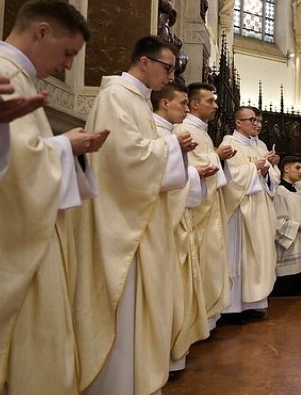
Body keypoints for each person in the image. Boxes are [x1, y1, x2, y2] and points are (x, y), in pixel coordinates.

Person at [0, 0, 107, 395]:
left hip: (27, 232)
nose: (68, 65)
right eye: (68, 52)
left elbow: (14, 153)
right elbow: (6, 173)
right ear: (42, 31)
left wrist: (62, 145)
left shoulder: (12, 74)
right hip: (13, 244)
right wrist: (65, 148)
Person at [78, 35, 195, 395]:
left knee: (144, 308)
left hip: (141, 220)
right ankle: (119, 384)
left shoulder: (139, 103)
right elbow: (126, 159)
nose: (170, 75)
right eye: (167, 68)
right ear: (144, 62)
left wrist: (168, 148)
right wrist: (171, 146)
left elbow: (144, 154)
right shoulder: (116, 98)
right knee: (126, 309)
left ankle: (138, 380)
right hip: (122, 225)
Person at [151, 82, 211, 373]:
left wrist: (193, 173)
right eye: (182, 103)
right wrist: (194, 172)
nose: (186, 110)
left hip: (177, 218)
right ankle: (166, 356)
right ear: (164, 103)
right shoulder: (159, 132)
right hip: (162, 225)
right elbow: (152, 176)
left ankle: (175, 351)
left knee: (179, 288)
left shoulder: (171, 133)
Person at [176, 82, 235, 330]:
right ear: (194, 104)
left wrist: (217, 159)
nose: (216, 105)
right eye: (210, 100)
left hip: (208, 206)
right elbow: (189, 168)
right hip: (196, 210)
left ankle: (208, 318)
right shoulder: (184, 129)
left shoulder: (202, 130)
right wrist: (216, 158)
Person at [221, 106, 278, 322]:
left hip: (260, 209)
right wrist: (254, 169)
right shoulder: (229, 144)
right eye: (251, 120)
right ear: (238, 123)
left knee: (258, 256)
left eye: (256, 120)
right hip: (240, 212)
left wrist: (267, 170)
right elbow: (230, 179)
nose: (256, 124)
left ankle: (253, 303)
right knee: (241, 257)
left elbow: (272, 177)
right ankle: (233, 308)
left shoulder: (259, 144)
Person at [272, 156, 301, 295]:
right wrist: (297, 226)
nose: (300, 171)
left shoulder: (297, 191)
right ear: (286, 169)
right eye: (297, 168)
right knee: (288, 287)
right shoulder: (280, 191)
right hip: (290, 239)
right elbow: (277, 220)